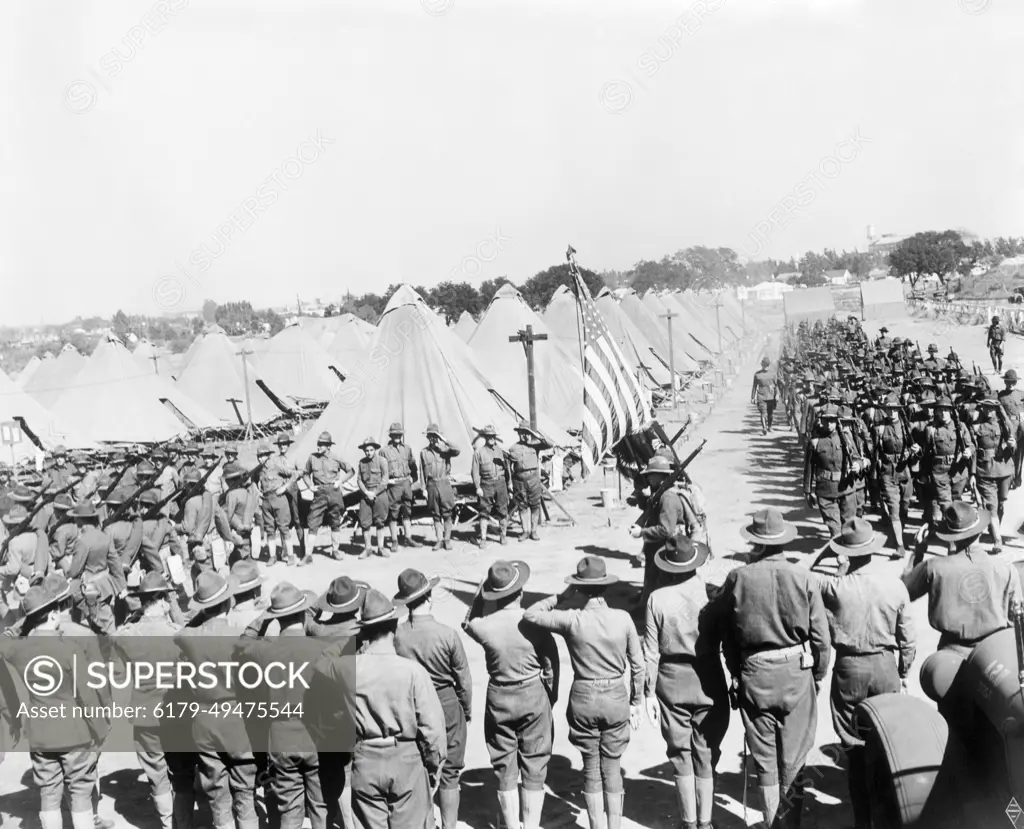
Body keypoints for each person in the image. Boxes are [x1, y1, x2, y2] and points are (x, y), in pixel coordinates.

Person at [708, 508, 831, 829]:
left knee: (765, 761)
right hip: (795, 674)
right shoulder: (804, 577)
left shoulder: (737, 578)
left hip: (754, 674)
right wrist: (816, 676)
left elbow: (726, 633)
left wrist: (736, 673)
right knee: (795, 759)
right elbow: (821, 638)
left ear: (758, 545)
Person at [524, 556, 645, 829]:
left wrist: (561, 595)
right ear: (605, 586)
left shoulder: (572, 620)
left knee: (591, 766)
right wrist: (636, 701)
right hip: (615, 696)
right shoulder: (623, 619)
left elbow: (530, 614)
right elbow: (638, 665)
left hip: (583, 697)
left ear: (579, 587)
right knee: (612, 766)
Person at [815, 518, 916, 829]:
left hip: (849, 669)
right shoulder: (894, 585)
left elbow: (805, 577)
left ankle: (862, 820)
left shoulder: (833, 587)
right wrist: (902, 671)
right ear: (873, 550)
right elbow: (908, 638)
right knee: (886, 744)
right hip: (885, 665)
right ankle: (888, 814)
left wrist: (830, 558)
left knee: (854, 748)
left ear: (845, 553)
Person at [2, 585, 109, 829]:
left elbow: (5, 638)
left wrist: (24, 621)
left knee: (48, 795)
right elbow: (87, 698)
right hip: (75, 734)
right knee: (80, 793)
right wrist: (100, 730)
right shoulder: (70, 649)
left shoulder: (17, 650)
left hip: (40, 735)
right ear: (53, 614)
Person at [462, 560, 559, 829]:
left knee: (504, 765)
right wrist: (550, 697)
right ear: (521, 593)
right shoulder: (534, 623)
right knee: (535, 763)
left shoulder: (484, 627)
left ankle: (511, 825)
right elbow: (551, 664)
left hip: (499, 697)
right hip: (532, 694)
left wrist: (482, 591)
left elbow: (468, 620)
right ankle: (530, 825)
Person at [643, 536, 728, 829]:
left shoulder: (657, 598)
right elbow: (728, 641)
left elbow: (650, 652)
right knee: (705, 751)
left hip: (671, 680)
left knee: (680, 753)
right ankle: (705, 823)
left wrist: (648, 694)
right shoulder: (712, 596)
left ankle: (688, 823)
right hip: (709, 677)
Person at [349, 589, 447, 828]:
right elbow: (432, 729)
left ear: (364, 631)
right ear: (394, 626)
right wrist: (434, 768)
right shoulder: (413, 672)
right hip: (406, 760)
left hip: (365, 761)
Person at [236, 582, 327, 829]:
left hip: (280, 737)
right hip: (314, 735)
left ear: (278, 618)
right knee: (320, 805)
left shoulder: (264, 651)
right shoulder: (320, 649)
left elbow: (243, 641)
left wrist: (265, 617)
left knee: (290, 807)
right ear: (302, 613)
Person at [175, 572, 258, 829]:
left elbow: (182, 633)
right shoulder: (238, 635)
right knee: (245, 792)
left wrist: (203, 615)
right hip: (237, 720)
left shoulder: (189, 638)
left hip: (204, 721)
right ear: (227, 602)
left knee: (217, 795)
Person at [394, 569, 473, 829]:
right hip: (446, 702)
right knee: (450, 770)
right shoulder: (447, 634)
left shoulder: (398, 635)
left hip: (412, 705)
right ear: (429, 596)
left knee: (419, 767)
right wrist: (466, 708)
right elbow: (463, 678)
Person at [118, 572, 184, 829]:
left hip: (145, 712)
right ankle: (184, 820)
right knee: (180, 768)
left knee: (156, 771)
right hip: (176, 711)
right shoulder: (177, 632)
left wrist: (134, 618)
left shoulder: (129, 633)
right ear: (162, 599)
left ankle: (168, 824)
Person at [629, 455, 700, 609]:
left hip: (667, 544)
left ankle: (649, 609)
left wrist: (642, 532)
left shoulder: (667, 498)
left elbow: (665, 530)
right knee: (653, 577)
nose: (647, 478)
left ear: (659, 477)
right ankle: (646, 601)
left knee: (662, 580)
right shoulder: (661, 493)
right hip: (658, 544)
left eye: (650, 474)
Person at [803, 403, 863, 538]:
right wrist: (807, 491)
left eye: (833, 420)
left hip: (846, 487)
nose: (829, 424)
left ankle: (846, 551)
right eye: (826, 420)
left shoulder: (846, 438)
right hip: (826, 489)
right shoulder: (815, 441)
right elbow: (809, 468)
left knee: (848, 524)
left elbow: (857, 457)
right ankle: (840, 551)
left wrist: (858, 466)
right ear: (821, 421)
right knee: (834, 526)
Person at [873, 393, 918, 557]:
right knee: (894, 507)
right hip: (887, 472)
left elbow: (918, 452)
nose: (891, 412)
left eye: (894, 409)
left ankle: (899, 533)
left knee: (904, 506)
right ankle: (900, 545)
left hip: (904, 471)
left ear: (899, 410)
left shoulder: (907, 427)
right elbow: (874, 452)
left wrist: (914, 451)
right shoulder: (879, 428)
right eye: (888, 409)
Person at [303, 431, 356, 563]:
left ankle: (335, 551)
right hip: (319, 493)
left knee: (335, 522)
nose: (318, 447)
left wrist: (341, 481)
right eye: (318, 444)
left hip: (334, 492)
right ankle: (308, 555)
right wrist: (310, 486)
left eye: (322, 445)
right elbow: (305, 474)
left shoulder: (336, 458)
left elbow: (351, 470)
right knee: (313, 523)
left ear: (328, 446)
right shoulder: (312, 458)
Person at [973, 391, 1016, 551]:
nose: (988, 411)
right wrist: (972, 474)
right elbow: (973, 451)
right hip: (984, 471)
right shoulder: (976, 426)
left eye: (992, 408)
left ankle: (993, 526)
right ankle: (997, 540)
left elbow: (1013, 444)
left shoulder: (1004, 425)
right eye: (985, 407)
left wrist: (1011, 445)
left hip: (1003, 469)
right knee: (991, 506)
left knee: (1001, 503)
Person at [260, 437, 304, 566]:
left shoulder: (294, 457)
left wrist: (286, 486)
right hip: (277, 495)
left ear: (289, 445)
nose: (282, 446)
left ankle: (302, 550)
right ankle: (284, 551)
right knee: (282, 524)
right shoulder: (275, 460)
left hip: (291, 490)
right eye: (280, 444)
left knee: (296, 520)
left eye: (285, 444)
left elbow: (300, 472)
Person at [507, 421, 550, 542]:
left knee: (535, 505)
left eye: (526, 433)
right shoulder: (513, 448)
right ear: (518, 433)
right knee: (522, 506)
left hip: (533, 480)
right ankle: (525, 531)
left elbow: (550, 444)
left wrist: (536, 437)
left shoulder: (535, 445)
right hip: (519, 481)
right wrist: (510, 481)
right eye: (521, 433)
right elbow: (509, 467)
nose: (523, 436)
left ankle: (534, 531)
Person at [382, 422, 423, 550]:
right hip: (394, 485)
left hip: (406, 483)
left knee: (407, 511)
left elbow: (413, 465)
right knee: (393, 514)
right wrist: (387, 481)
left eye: (399, 434)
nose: (397, 436)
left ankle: (408, 537)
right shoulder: (384, 452)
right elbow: (380, 470)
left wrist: (412, 479)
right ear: (391, 436)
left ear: (402, 435)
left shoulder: (407, 449)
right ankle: (394, 540)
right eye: (394, 434)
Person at [420, 424, 460, 551]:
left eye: (435, 436)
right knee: (436, 515)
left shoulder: (445, 451)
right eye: (430, 436)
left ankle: (447, 540)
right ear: (427, 437)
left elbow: (457, 450)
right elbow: (421, 472)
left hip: (444, 483)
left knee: (447, 513)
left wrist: (444, 440)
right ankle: (439, 540)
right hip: (431, 485)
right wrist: (423, 489)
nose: (433, 439)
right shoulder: (424, 452)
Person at [471, 425, 510, 548]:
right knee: (484, 511)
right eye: (489, 436)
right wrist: (478, 487)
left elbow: (507, 468)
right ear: (485, 437)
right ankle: (483, 538)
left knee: (503, 510)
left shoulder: (501, 451)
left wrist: (509, 483)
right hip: (486, 484)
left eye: (493, 436)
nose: (492, 438)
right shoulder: (479, 452)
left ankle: (503, 536)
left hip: (500, 483)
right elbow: (475, 471)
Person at [356, 436, 390, 559]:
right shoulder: (362, 462)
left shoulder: (382, 461)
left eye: (371, 450)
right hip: (366, 495)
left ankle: (381, 548)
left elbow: (385, 479)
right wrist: (366, 492)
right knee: (365, 522)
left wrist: (374, 493)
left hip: (379, 494)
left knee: (380, 521)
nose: (369, 452)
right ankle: (368, 548)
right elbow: (359, 480)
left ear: (375, 449)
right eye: (366, 450)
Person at [999, 369, 1024, 488]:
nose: (1010, 384)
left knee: (1019, 453)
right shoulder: (1001, 395)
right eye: (1008, 382)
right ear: (1005, 382)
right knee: (1008, 453)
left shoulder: (1021, 394)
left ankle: (1017, 478)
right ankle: (1009, 478)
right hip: (1006, 427)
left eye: (1013, 382)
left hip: (1019, 427)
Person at [751, 356, 779, 435]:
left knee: (770, 413)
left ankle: (769, 427)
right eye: (763, 364)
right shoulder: (757, 375)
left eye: (765, 364)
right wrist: (752, 397)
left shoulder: (773, 374)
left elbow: (776, 386)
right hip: (761, 396)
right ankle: (764, 428)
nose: (764, 366)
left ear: (768, 365)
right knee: (763, 413)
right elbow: (754, 386)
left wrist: (777, 394)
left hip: (771, 395)